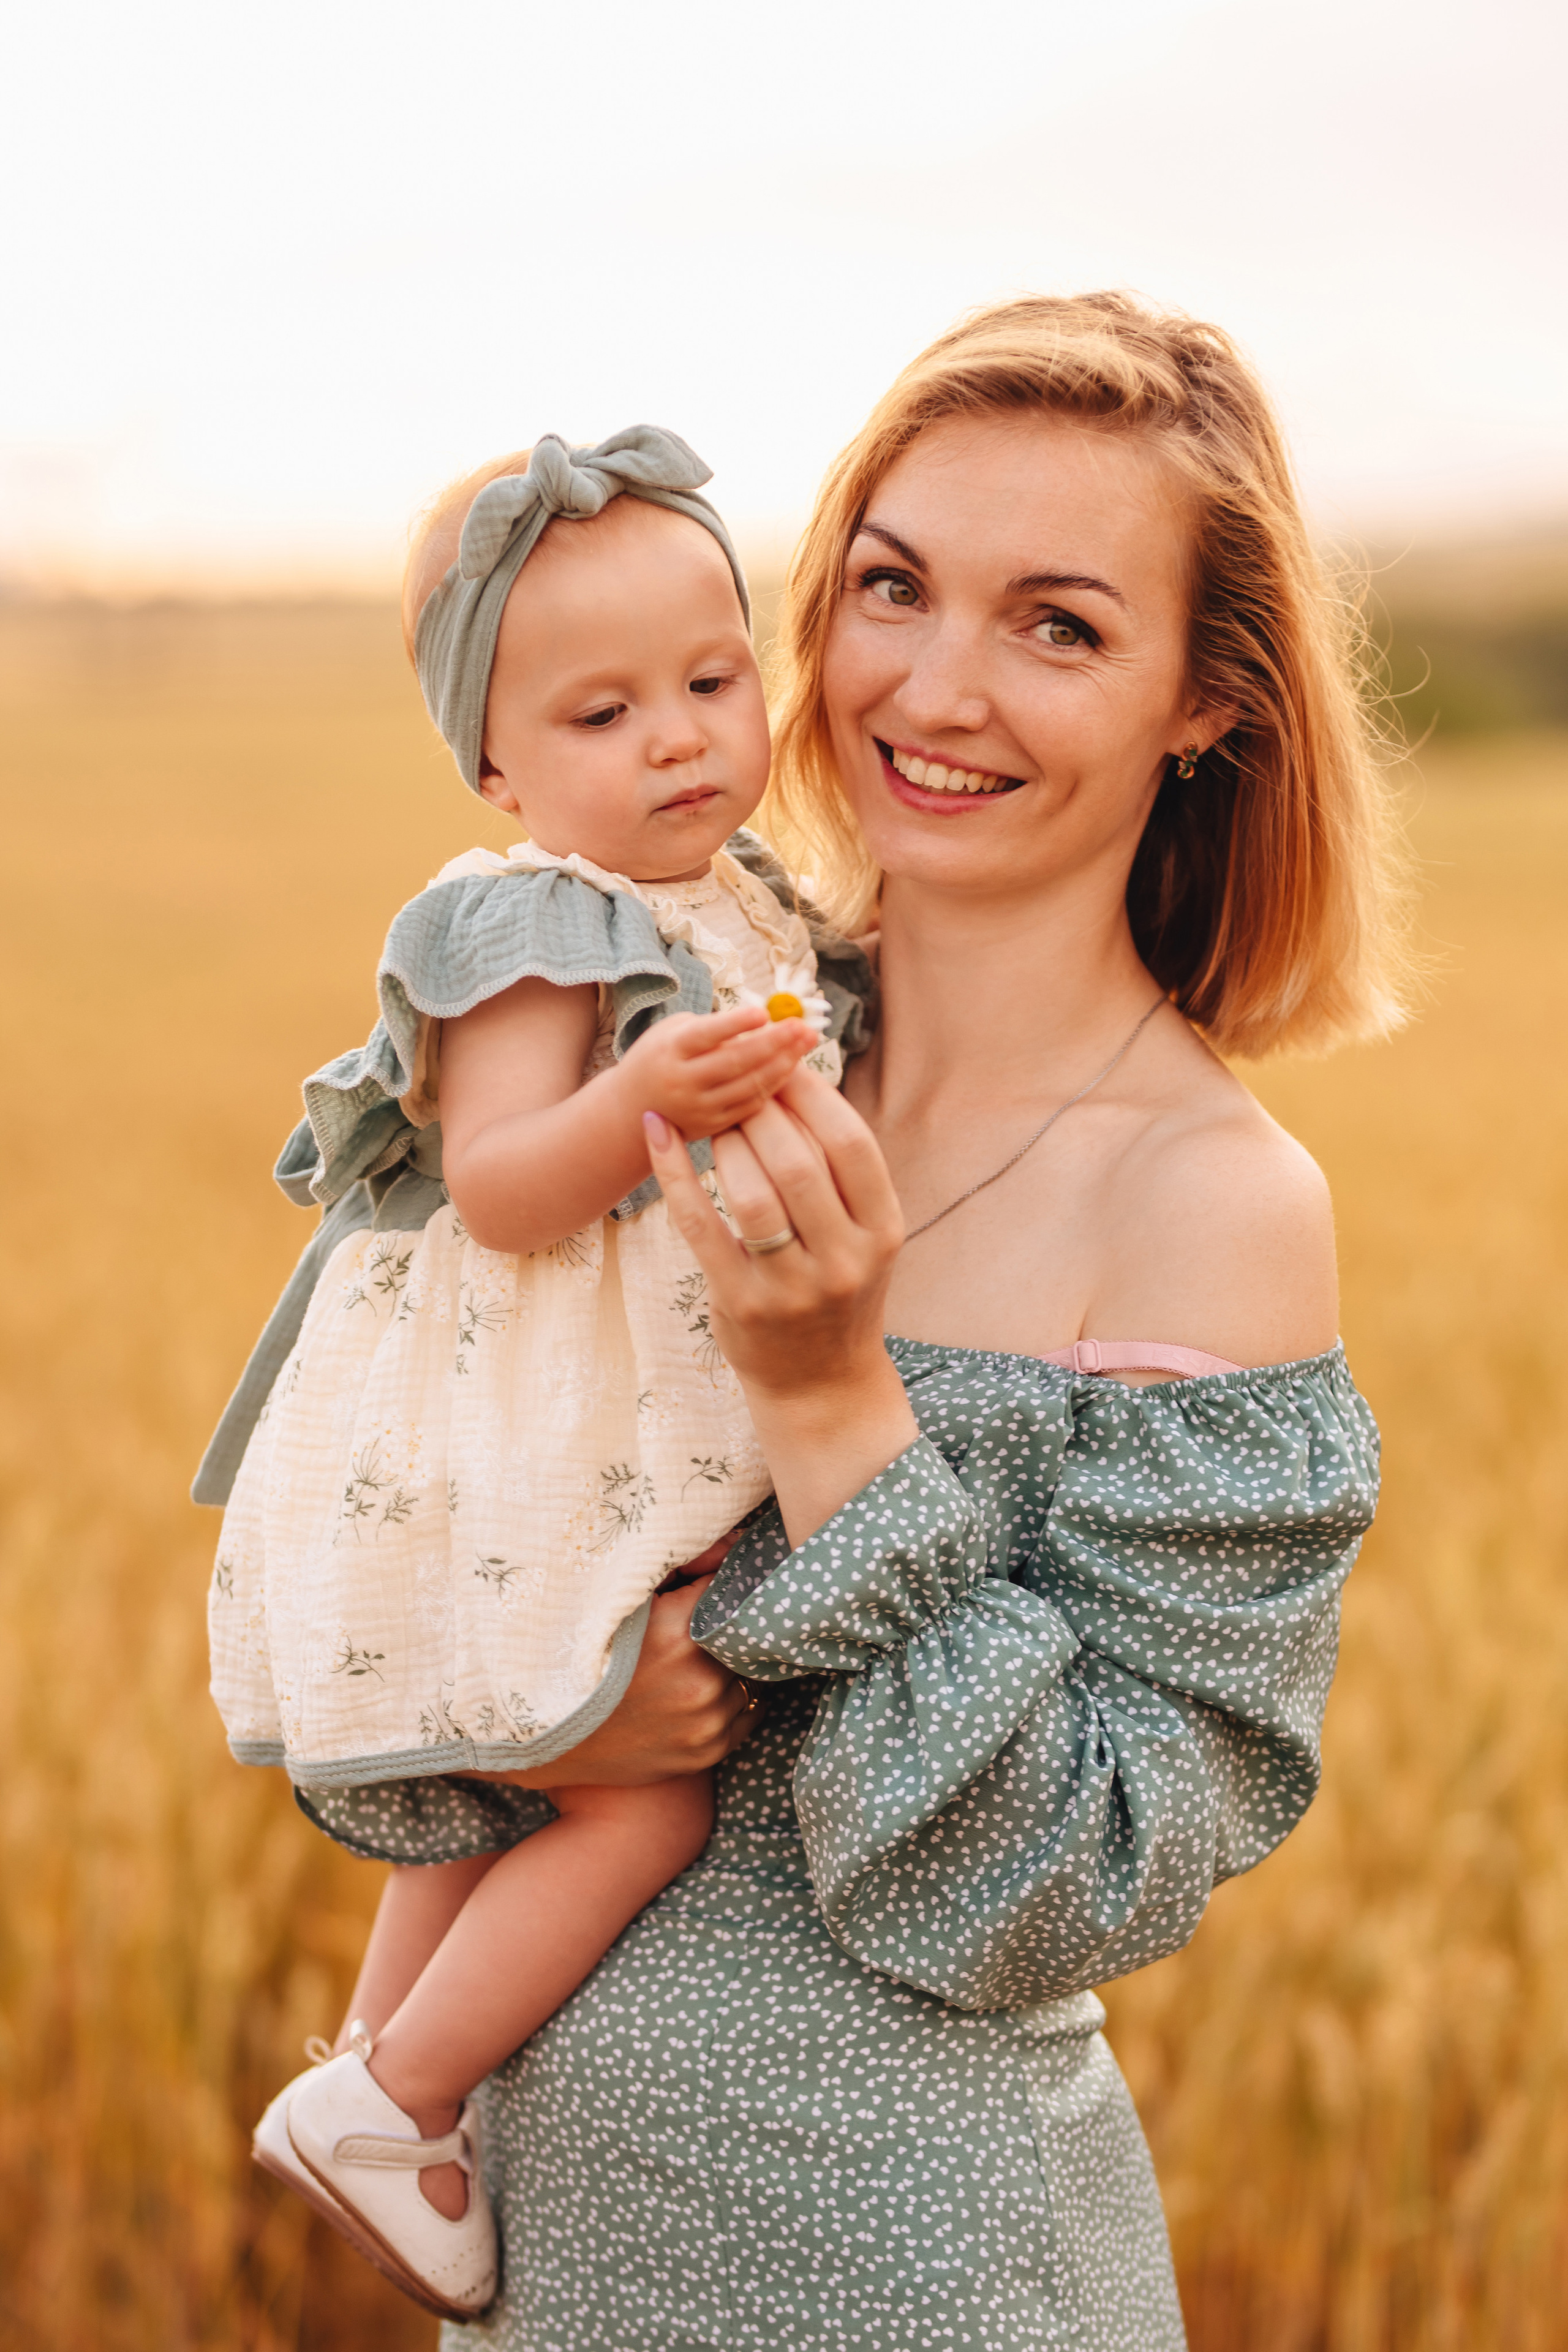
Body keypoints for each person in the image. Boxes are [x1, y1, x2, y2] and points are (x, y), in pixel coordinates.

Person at [266, 294, 1403, 2351]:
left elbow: (1079, 1878)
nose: (933, 687)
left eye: (1058, 624)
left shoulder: (1211, 1206)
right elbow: (401, 1525)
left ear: (1205, 701)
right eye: (892, 588)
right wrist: (536, 1715)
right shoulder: (674, 1052)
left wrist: (826, 1396)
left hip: (919, 2279)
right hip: (546, 2275)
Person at [196, 426, 872, 2318]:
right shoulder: (529, 923)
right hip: (543, 1418)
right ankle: (403, 2092)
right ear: (496, 767)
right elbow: (498, 1188)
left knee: (507, 1777)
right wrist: (641, 1094)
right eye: (601, 714)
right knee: (630, 1790)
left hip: (643, 1399)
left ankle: (372, 2069)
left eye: (712, 683)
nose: (675, 739)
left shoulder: (748, 899)